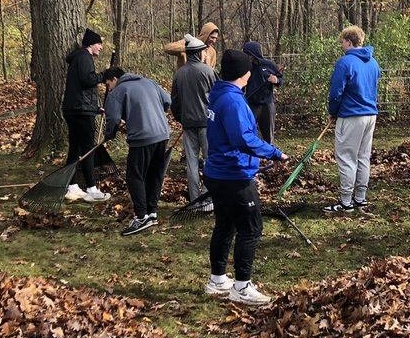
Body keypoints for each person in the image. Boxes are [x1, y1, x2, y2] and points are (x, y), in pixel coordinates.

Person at [203, 49, 288, 305]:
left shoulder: (219, 93)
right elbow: (243, 139)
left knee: (225, 225)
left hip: (219, 172)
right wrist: (275, 153)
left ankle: (218, 279)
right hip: (233, 175)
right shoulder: (232, 101)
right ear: (245, 74)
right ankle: (241, 286)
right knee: (251, 228)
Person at [104, 66, 172, 235]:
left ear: (114, 79)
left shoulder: (118, 91)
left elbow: (113, 118)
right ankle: (152, 212)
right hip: (162, 134)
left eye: (108, 84)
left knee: (135, 176)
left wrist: (110, 134)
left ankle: (141, 216)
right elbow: (168, 101)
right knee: (154, 174)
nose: (108, 88)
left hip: (142, 137)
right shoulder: (150, 82)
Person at [324, 25, 381, 214]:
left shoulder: (345, 62)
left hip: (351, 115)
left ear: (349, 41)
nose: (341, 45)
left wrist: (333, 111)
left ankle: (346, 202)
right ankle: (360, 198)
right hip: (370, 115)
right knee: (363, 156)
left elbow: (336, 92)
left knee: (347, 157)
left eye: (342, 42)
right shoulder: (373, 63)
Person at [63, 28, 110, 202]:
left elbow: (80, 88)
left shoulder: (78, 58)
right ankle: (92, 189)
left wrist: (95, 108)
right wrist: (104, 75)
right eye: (99, 44)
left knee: (75, 148)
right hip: (81, 112)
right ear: (91, 44)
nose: (101, 47)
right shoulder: (84, 57)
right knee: (88, 149)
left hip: (75, 109)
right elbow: (87, 80)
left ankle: (72, 186)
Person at [171, 34, 216, 211]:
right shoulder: (208, 71)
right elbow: (218, 95)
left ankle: (195, 201)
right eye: (204, 52)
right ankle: (207, 199)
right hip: (207, 124)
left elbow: (175, 102)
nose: (206, 54)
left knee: (192, 163)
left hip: (188, 124)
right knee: (210, 161)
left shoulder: (179, 74)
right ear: (198, 53)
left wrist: (182, 118)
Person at [242, 40, 282, 143]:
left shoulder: (269, 65)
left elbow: (280, 79)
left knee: (268, 135)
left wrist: (276, 80)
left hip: (267, 105)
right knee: (247, 132)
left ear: (255, 54)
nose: (247, 57)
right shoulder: (246, 67)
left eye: (249, 54)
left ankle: (270, 150)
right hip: (251, 105)